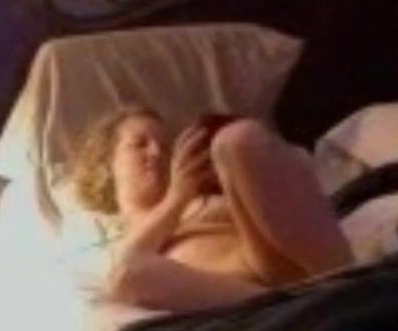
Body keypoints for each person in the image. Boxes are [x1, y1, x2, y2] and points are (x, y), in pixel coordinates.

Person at [71, 104, 353, 311]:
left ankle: (348, 283)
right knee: (130, 277)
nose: (156, 152)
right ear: (106, 164)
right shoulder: (124, 241)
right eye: (139, 145)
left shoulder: (201, 195)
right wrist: (178, 196)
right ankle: (302, 308)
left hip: (286, 259)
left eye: (166, 146)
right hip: (251, 296)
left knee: (237, 139)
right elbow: (126, 271)